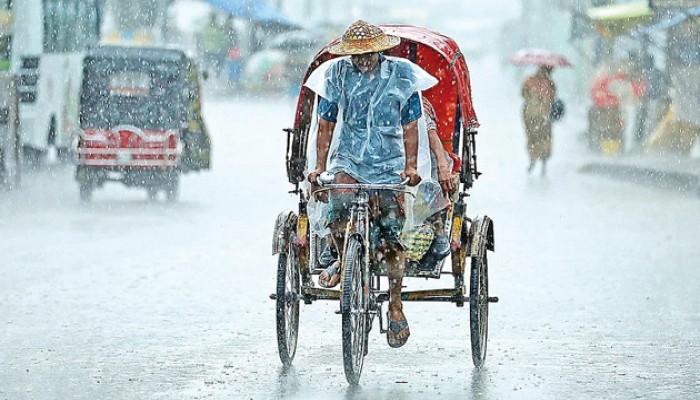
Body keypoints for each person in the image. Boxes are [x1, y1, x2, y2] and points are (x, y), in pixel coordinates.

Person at [306, 20, 437, 348]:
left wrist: (410, 165)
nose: (362, 61)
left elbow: (410, 125)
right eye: (357, 56)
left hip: (388, 163)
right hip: (349, 158)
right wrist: (320, 167)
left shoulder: (401, 76)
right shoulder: (337, 75)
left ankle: (395, 303)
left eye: (368, 55)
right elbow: (326, 123)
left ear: (380, 50)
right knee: (337, 210)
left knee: (391, 237)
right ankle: (341, 256)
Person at [521, 65, 556, 176]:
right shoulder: (550, 84)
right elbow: (553, 98)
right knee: (545, 139)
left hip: (529, 115)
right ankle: (543, 165)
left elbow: (522, 93)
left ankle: (532, 159)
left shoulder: (529, 80)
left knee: (532, 138)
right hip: (543, 116)